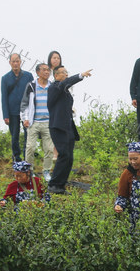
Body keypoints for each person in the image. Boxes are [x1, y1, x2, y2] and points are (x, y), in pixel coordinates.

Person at [47, 65, 93, 195]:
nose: (66, 75)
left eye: (67, 72)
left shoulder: (65, 91)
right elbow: (64, 84)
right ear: (56, 75)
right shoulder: (54, 87)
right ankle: (54, 185)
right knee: (63, 155)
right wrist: (80, 75)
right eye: (64, 73)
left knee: (69, 157)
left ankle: (60, 186)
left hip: (68, 127)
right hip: (58, 127)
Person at [20, 63, 55, 182]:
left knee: (49, 149)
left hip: (48, 122)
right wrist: (25, 118)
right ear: (38, 72)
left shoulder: (52, 86)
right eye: (44, 70)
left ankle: (46, 171)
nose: (47, 72)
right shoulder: (31, 86)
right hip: (33, 122)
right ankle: (29, 172)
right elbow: (24, 103)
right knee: (30, 148)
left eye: (48, 70)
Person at [1, 53, 34, 162]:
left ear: (21, 62)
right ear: (10, 62)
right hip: (12, 111)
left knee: (28, 134)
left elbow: (33, 94)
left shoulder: (28, 76)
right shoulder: (5, 78)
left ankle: (27, 156)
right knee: (14, 135)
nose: (15, 63)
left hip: (26, 110)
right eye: (13, 61)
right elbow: (4, 98)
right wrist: (5, 115)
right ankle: (17, 157)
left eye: (17, 61)